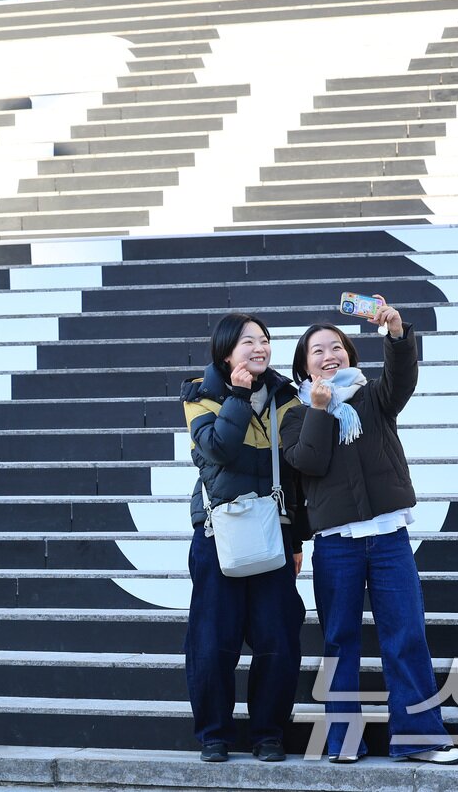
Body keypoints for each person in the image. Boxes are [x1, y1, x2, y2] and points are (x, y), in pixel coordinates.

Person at [279, 302, 458, 765]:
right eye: (317, 350)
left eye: (337, 347)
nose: (329, 355)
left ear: (350, 354)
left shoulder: (374, 396)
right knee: (339, 641)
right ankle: (343, 740)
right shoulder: (295, 413)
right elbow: (308, 462)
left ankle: (420, 738)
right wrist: (322, 409)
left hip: (388, 538)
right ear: (303, 364)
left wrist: (398, 332)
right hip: (336, 544)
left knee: (405, 635)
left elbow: (402, 378)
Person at [181, 313, 307, 763]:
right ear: (226, 350)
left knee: (279, 637)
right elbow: (217, 449)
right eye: (249, 341)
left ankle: (268, 734)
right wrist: (236, 394)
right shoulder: (200, 393)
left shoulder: (287, 400)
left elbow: (295, 474)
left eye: (265, 340)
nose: (260, 347)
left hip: (274, 533)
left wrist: (297, 541)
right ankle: (214, 734)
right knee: (212, 639)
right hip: (218, 534)